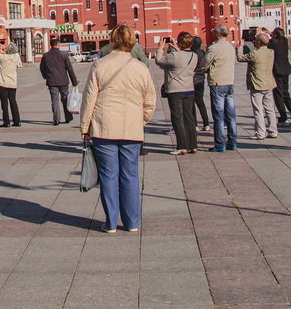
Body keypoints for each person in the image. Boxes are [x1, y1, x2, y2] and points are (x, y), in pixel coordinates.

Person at [80, 23, 155, 234]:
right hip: (131, 129)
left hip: (104, 128)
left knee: (108, 175)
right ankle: (132, 222)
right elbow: (150, 100)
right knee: (130, 175)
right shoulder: (140, 68)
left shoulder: (100, 65)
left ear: (112, 40)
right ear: (132, 42)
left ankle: (111, 222)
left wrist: (85, 126)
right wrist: (141, 120)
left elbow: (89, 99)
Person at [156, 32, 202, 154]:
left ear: (180, 42)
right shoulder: (194, 56)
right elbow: (183, 57)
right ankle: (193, 145)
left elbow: (159, 61)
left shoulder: (174, 56)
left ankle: (182, 146)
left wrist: (160, 47)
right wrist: (177, 48)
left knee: (177, 118)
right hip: (189, 89)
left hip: (175, 90)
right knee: (189, 118)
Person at [238, 29, 277, 140]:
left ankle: (260, 132)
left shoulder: (255, 54)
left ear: (259, 42)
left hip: (257, 84)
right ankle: (273, 130)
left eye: (256, 40)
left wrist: (240, 47)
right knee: (270, 109)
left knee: (258, 109)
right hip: (269, 83)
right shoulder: (271, 52)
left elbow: (240, 58)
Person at [204, 24, 238, 152]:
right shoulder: (231, 47)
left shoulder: (214, 48)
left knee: (219, 115)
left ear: (217, 34)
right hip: (229, 82)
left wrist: (202, 70)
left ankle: (220, 143)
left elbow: (205, 63)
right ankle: (233, 141)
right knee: (231, 114)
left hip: (217, 83)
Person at [40, 40, 80, 126]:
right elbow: (70, 69)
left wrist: (46, 77)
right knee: (65, 99)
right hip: (63, 81)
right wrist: (74, 81)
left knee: (54, 100)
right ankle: (68, 117)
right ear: (58, 45)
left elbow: (42, 68)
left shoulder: (45, 56)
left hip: (51, 81)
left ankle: (56, 119)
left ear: (51, 45)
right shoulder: (64, 55)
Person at [269, 27, 291, 126]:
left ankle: (283, 117)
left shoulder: (273, 42)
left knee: (278, 95)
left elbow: (268, 43)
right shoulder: (284, 41)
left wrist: (264, 34)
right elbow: (276, 38)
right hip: (286, 70)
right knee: (286, 93)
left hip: (277, 71)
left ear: (275, 35)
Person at [0, 40, 21, 127]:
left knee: (4, 103)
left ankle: (6, 122)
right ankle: (17, 120)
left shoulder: (3, 57)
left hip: (2, 82)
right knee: (13, 101)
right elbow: (15, 51)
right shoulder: (16, 57)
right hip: (12, 82)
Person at [190, 36, 212, 131]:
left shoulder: (191, 53)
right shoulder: (203, 52)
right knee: (201, 102)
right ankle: (206, 123)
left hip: (191, 80)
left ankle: (194, 125)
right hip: (201, 79)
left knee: (192, 103)